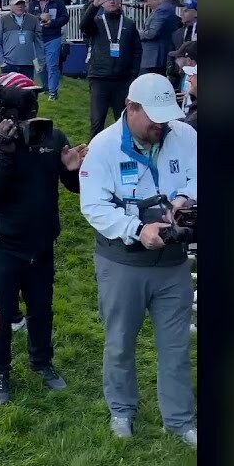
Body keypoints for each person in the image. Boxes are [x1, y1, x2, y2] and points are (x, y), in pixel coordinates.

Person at [79, 73, 197, 444]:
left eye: (166, 118)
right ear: (130, 108)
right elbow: (93, 206)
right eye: (153, 119)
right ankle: (121, 411)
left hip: (174, 263)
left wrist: (184, 200)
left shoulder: (185, 135)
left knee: (176, 347)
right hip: (123, 263)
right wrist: (136, 229)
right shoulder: (103, 147)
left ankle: (180, 421)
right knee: (119, 343)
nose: (161, 126)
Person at [0, 72, 85, 403]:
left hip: (40, 244)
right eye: (24, 101)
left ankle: (41, 362)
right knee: (0, 310)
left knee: (41, 307)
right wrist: (6, 153)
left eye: (33, 98)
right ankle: (0, 372)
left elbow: (73, 186)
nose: (31, 107)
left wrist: (74, 171)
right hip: (1, 245)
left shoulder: (51, 137)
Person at [81, 0, 142, 139]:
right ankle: (95, 150)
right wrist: (94, 5)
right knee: (97, 121)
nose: (112, 1)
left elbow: (137, 51)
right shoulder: (97, 22)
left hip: (122, 80)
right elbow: (83, 26)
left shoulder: (128, 24)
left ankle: (125, 148)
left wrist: (133, 76)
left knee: (124, 120)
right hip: (99, 79)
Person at [27, 0, 71, 100]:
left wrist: (52, 23)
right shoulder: (33, 2)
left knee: (52, 65)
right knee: (40, 66)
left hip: (53, 37)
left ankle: (53, 92)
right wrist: (39, 17)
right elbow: (29, 17)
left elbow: (65, 17)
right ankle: (46, 88)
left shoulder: (58, 0)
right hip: (38, 38)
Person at [0, 0, 43, 78]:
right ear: (11, 5)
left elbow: (39, 42)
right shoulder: (3, 20)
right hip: (8, 64)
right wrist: (1, 61)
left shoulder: (33, 20)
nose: (20, 6)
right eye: (17, 4)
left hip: (28, 65)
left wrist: (40, 61)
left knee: (27, 87)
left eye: (22, 3)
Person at [138, 0, 181, 76]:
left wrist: (136, 33)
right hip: (155, 57)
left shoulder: (162, 9)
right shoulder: (163, 8)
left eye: (146, 1)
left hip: (155, 57)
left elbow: (152, 33)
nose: (145, 4)